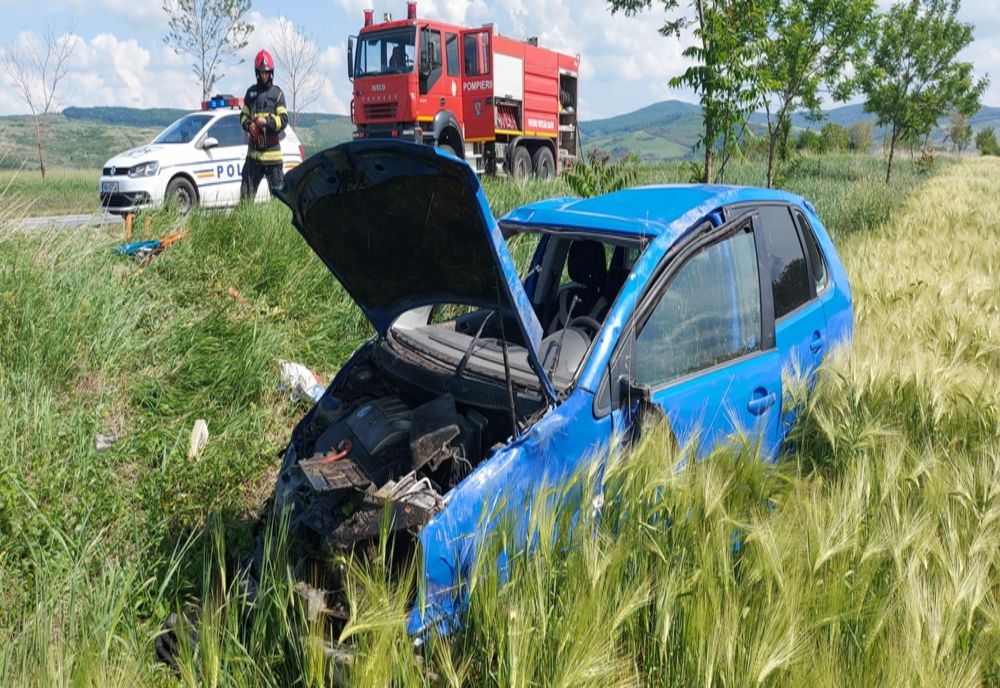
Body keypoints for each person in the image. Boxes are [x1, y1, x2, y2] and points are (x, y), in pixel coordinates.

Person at [240, 49, 288, 201]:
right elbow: (243, 116)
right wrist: (248, 125)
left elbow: (284, 119)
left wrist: (267, 121)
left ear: (271, 72)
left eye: (267, 72)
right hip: (253, 157)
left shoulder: (277, 94)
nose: (264, 75)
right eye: (261, 72)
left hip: (273, 157)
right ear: (257, 72)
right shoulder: (251, 93)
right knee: (245, 199)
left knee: (278, 201)